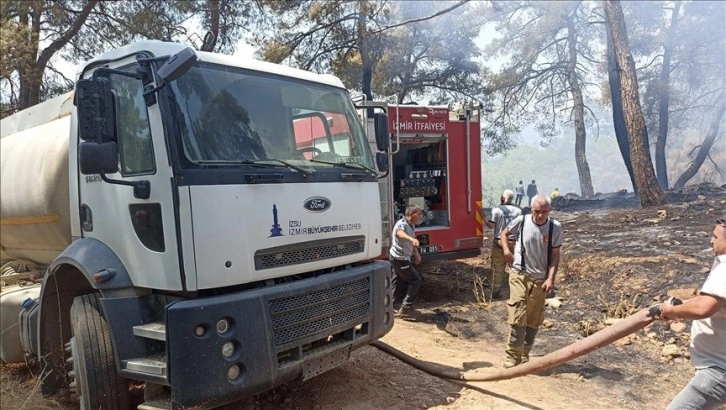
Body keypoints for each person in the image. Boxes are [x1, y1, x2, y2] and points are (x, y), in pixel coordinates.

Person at [653, 217, 726, 410]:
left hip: (719, 371)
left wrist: (672, 311)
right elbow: (715, 300)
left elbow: (704, 307)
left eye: (715, 236)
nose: (711, 240)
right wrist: (683, 305)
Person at [499, 195, 562, 368]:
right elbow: (504, 233)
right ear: (531, 209)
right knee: (518, 312)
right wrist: (506, 251)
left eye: (543, 212)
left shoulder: (554, 228)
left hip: (540, 279)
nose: (540, 215)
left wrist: (550, 278)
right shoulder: (522, 221)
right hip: (520, 273)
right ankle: (512, 355)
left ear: (549, 211)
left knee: (533, 318)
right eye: (536, 211)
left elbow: (555, 256)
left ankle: (525, 353)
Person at [483, 190, 522, 300]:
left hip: (499, 242)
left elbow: (491, 226)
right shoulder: (518, 211)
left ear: (503, 198)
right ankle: (516, 292)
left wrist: (483, 217)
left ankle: (495, 293)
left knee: (497, 268)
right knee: (515, 267)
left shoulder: (497, 210)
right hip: (514, 242)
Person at [390, 204, 424, 317]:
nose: (420, 216)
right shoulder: (402, 224)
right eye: (418, 214)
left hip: (399, 258)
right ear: (410, 214)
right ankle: (406, 307)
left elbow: (411, 241)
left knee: (397, 281)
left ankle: (388, 306)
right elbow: (399, 233)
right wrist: (411, 238)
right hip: (400, 259)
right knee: (415, 280)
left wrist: (416, 254)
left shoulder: (411, 225)